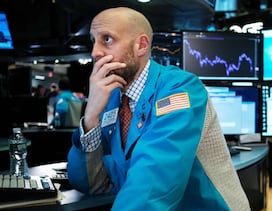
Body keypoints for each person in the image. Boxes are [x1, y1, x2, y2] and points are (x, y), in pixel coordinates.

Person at [66, 7, 250, 210]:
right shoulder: (112, 100)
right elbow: (91, 183)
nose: (95, 52)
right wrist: (90, 116)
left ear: (141, 45)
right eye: (93, 41)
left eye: (107, 39)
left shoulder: (180, 89)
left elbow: (155, 181)